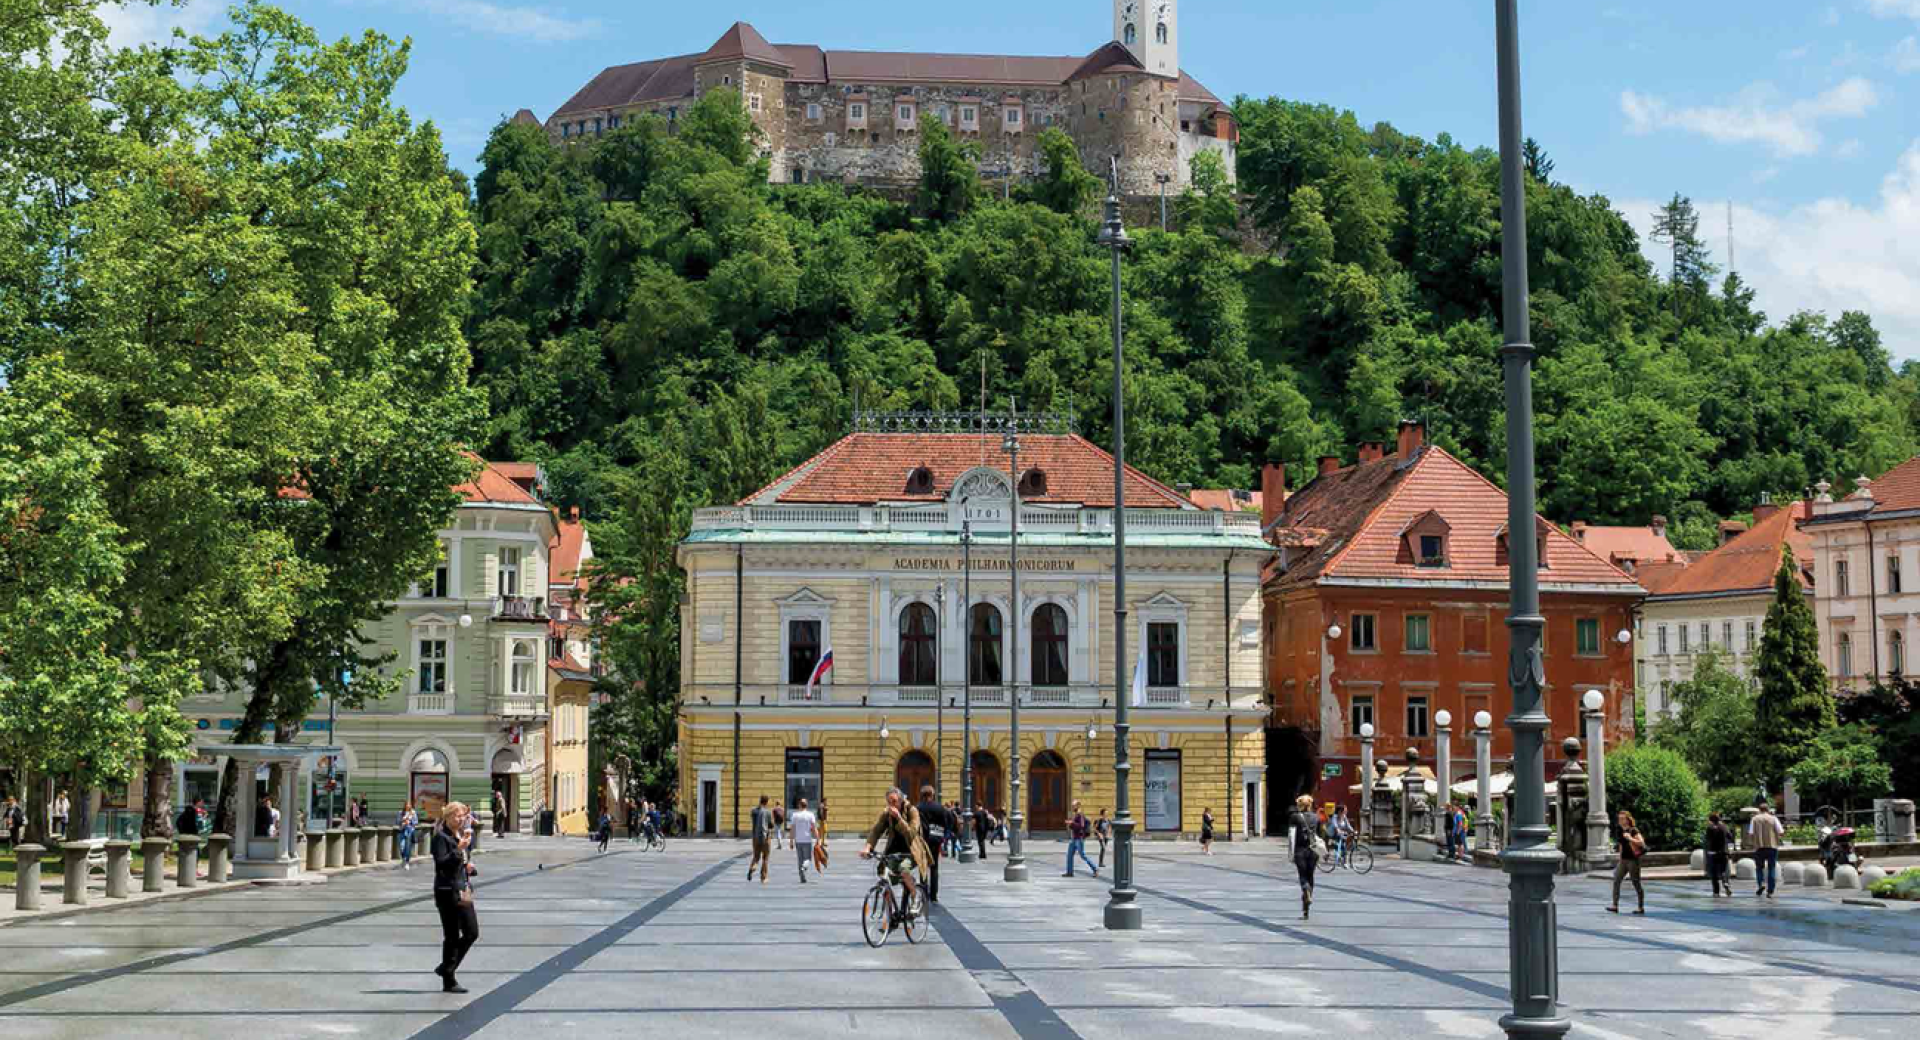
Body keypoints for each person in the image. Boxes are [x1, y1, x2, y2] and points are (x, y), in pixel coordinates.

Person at [430, 801, 480, 994]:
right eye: (456, 816)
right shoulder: (440, 838)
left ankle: (446, 968)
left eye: (462, 816)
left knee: (472, 932)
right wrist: (459, 850)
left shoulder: (462, 836)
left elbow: (462, 861)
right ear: (447, 817)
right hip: (446, 891)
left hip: (463, 889)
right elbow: (442, 863)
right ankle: (449, 980)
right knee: (451, 936)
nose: (460, 820)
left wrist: (469, 866)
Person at [860, 788, 929, 910]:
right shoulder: (887, 814)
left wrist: (898, 818)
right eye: (889, 802)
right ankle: (890, 912)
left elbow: (911, 833)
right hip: (893, 852)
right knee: (883, 874)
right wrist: (867, 847)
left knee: (903, 869)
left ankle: (914, 895)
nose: (891, 804)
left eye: (894, 801)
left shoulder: (912, 811)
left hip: (911, 852)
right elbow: (876, 831)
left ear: (901, 801)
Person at [915, 785, 954, 903]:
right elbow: (949, 822)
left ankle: (923, 893)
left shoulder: (917, 808)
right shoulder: (940, 808)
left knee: (923, 868)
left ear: (922, 795)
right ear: (932, 795)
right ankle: (933, 896)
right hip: (936, 840)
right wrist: (944, 838)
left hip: (922, 841)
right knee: (934, 867)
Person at [1289, 795, 1321, 920]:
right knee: (1310, 876)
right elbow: (1320, 834)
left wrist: (1291, 853)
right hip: (1313, 851)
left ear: (1299, 805)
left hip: (1300, 851)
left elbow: (1291, 836)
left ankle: (1305, 890)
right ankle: (1306, 909)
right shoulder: (1316, 817)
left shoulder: (1294, 817)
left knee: (1302, 876)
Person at [1609, 809, 1647, 914]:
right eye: (1619, 819)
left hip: (1633, 860)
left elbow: (1641, 843)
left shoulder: (1633, 830)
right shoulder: (1620, 830)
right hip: (1624, 860)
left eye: (1622, 819)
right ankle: (1614, 905)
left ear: (1628, 820)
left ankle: (1640, 907)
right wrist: (1620, 858)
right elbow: (1621, 845)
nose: (1620, 821)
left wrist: (1630, 838)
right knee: (1616, 880)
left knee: (1636, 882)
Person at [1750, 801, 1783, 898]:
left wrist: (1754, 841)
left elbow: (1751, 833)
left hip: (1759, 847)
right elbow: (1781, 832)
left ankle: (1761, 884)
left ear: (1759, 810)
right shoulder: (1774, 819)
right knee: (1771, 868)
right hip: (1772, 847)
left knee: (1759, 868)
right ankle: (1770, 891)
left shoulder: (1754, 819)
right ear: (1768, 809)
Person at [1064, 802, 1099, 878]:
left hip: (1079, 839)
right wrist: (1070, 824)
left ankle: (1095, 869)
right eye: (1072, 805)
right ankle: (1069, 872)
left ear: (1078, 806)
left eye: (1073, 805)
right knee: (1069, 855)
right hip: (1074, 838)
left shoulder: (1080, 815)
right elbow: (1073, 827)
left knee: (1082, 855)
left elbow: (1081, 826)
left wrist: (1071, 822)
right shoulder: (1075, 815)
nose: (1072, 807)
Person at [790, 797, 820, 883]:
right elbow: (814, 828)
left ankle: (802, 877)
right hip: (807, 840)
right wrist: (818, 839)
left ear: (799, 805)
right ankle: (804, 868)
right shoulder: (810, 815)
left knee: (800, 859)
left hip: (798, 840)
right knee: (808, 859)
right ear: (806, 805)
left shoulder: (795, 815)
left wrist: (791, 841)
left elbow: (792, 829)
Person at [1704, 811, 1733, 897]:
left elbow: (1707, 839)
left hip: (1713, 852)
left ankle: (1716, 892)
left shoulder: (1710, 828)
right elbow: (1730, 836)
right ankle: (1726, 883)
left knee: (1714, 873)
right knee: (1723, 870)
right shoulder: (1724, 826)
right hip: (1724, 852)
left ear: (1711, 820)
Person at [748, 795, 773, 883]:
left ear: (760, 801)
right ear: (766, 802)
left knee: (756, 856)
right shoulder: (768, 812)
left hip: (755, 837)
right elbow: (770, 825)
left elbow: (753, 820)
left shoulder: (753, 811)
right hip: (766, 838)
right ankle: (763, 877)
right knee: (765, 858)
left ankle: (753, 867)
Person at [398, 802, 419, 869]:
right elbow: (397, 821)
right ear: (405, 806)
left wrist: (410, 822)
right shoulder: (401, 812)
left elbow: (416, 822)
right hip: (402, 830)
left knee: (408, 847)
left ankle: (407, 863)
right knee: (401, 846)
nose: (408, 806)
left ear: (410, 806)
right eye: (406, 805)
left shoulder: (413, 812)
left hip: (410, 831)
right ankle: (403, 858)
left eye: (409, 805)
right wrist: (403, 820)